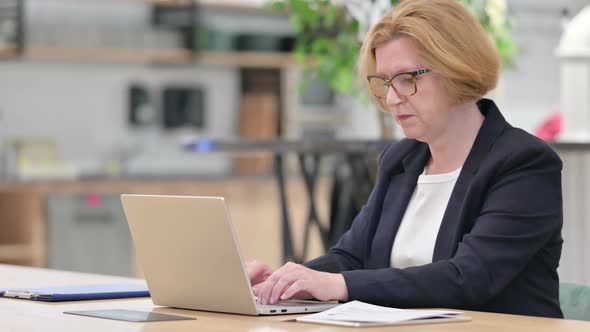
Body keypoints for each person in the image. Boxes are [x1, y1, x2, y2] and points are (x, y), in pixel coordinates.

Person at [247, 0, 563, 318]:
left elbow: (469, 278)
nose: (393, 98)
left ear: (457, 68)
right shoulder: (402, 159)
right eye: (385, 82)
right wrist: (281, 284)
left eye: (407, 78)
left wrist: (338, 284)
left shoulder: (524, 163)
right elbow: (351, 258)